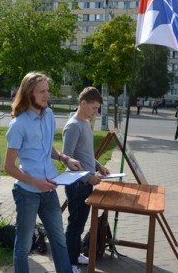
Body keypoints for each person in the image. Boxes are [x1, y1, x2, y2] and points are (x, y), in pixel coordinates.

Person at [4, 71, 81, 273]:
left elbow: (48, 148)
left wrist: (65, 158)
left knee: (59, 241)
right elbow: (9, 167)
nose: (47, 95)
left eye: (47, 91)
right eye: (42, 92)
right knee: (23, 245)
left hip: (49, 190)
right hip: (27, 193)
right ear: (29, 93)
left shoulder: (49, 115)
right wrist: (36, 182)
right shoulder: (18, 125)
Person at [62, 87, 110, 272]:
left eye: (97, 108)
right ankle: (69, 263)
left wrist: (98, 166)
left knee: (81, 223)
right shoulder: (73, 126)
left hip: (86, 183)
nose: (96, 112)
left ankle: (74, 255)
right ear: (83, 104)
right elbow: (68, 157)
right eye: (94, 108)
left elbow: (85, 154)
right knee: (75, 225)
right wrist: (88, 176)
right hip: (77, 185)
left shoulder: (85, 124)